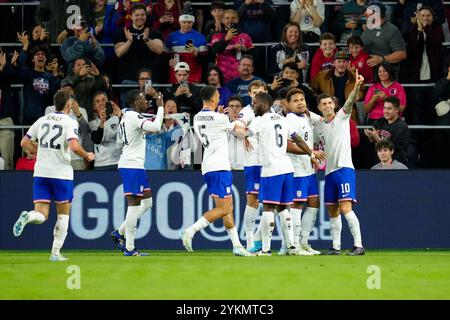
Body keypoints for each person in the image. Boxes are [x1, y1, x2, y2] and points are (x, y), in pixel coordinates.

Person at [12, 90, 94, 261]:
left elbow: (24, 142)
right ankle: (55, 253)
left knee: (41, 215)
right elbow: (73, 145)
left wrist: (38, 151)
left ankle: (28, 216)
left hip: (41, 172)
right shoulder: (69, 122)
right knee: (63, 215)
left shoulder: (42, 120)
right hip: (61, 174)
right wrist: (87, 155)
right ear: (68, 104)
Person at [247, 92, 323, 256]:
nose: (253, 105)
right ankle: (291, 246)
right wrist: (310, 153)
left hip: (271, 169)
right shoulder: (283, 120)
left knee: (268, 208)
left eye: (255, 103)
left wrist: (231, 128)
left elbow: (244, 133)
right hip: (288, 168)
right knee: (284, 208)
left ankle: (266, 249)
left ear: (265, 104)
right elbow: (298, 139)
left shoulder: (260, 120)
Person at [180, 85, 252, 257]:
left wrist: (221, 116)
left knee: (228, 207)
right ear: (213, 98)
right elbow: (240, 132)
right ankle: (190, 231)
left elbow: (213, 123)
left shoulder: (197, 117)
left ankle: (236, 246)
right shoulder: (220, 118)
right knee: (224, 208)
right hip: (219, 167)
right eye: (218, 95)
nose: (220, 97)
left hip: (208, 166)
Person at [311, 69, 365, 255]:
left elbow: (350, 101)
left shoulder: (342, 117)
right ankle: (335, 247)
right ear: (319, 108)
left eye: (329, 103)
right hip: (330, 172)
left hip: (344, 168)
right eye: (323, 104)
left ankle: (359, 245)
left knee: (345, 208)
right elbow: (316, 145)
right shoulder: (319, 127)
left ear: (334, 105)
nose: (327, 106)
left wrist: (357, 85)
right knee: (332, 210)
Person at [110, 89, 164, 256]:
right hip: (132, 165)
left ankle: (119, 232)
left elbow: (120, 142)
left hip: (133, 164)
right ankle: (130, 248)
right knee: (134, 206)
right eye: (142, 99)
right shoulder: (133, 116)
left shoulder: (126, 117)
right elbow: (155, 127)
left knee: (147, 203)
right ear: (134, 103)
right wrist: (160, 107)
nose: (146, 101)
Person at [283, 88, 322, 255]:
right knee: (297, 205)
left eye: (302, 99)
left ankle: (304, 242)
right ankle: (294, 245)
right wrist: (311, 153)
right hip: (296, 169)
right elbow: (288, 145)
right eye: (296, 100)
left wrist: (310, 157)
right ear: (289, 104)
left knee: (314, 203)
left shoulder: (305, 117)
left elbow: (322, 119)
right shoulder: (290, 120)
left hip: (308, 169)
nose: (300, 102)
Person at [406, 6, 444, 124]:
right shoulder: (412, 31)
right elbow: (414, 48)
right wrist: (419, 28)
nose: (425, 18)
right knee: (418, 112)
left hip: (434, 77)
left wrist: (425, 27)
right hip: (416, 78)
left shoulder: (438, 30)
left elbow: (435, 41)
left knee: (433, 112)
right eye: (422, 16)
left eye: (428, 16)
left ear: (433, 18)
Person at [45, 79, 91, 170]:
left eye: (70, 89)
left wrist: (78, 113)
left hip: (76, 157)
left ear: (73, 91)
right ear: (59, 91)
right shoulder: (50, 109)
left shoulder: (82, 110)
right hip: (57, 157)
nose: (67, 91)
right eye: (64, 88)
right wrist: (65, 109)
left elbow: (86, 131)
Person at [114, 4, 164, 83]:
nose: (140, 17)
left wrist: (147, 40)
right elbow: (119, 53)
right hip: (128, 78)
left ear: (146, 16)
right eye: (137, 15)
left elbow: (159, 50)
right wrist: (129, 41)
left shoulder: (154, 32)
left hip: (149, 79)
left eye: (142, 15)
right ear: (131, 17)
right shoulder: (122, 32)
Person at [311, 51, 365, 124]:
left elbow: (362, 91)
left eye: (344, 61)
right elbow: (312, 91)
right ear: (333, 63)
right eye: (339, 61)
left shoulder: (355, 77)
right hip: (327, 112)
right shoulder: (321, 76)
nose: (341, 64)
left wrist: (358, 95)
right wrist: (322, 99)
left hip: (348, 113)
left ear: (348, 63)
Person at [361, 2, 407, 79]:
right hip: (368, 74)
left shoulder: (392, 30)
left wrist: (381, 59)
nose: (365, 14)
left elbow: (402, 54)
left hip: (386, 76)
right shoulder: (368, 27)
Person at [364, 96, 411, 167]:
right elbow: (373, 139)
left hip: (395, 164)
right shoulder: (380, 121)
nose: (385, 111)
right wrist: (371, 137)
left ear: (397, 110)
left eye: (389, 109)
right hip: (379, 162)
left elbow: (391, 150)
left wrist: (377, 138)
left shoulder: (402, 127)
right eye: (384, 108)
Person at [210, 9, 254, 83]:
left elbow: (254, 55)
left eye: (233, 18)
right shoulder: (217, 36)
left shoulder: (245, 36)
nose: (230, 20)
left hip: (241, 77)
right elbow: (215, 50)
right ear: (223, 21)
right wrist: (226, 38)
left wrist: (245, 50)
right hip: (222, 76)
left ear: (237, 20)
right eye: (227, 18)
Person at [165, 12, 208, 84]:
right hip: (175, 77)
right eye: (184, 22)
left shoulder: (200, 37)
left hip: (194, 77)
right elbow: (163, 57)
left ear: (193, 23)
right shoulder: (171, 37)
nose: (186, 25)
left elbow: (205, 60)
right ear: (179, 22)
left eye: (189, 22)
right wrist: (168, 61)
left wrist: (196, 53)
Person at [144, 98, 186, 170]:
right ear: (163, 110)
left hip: (173, 168)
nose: (171, 108)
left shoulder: (180, 128)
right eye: (168, 106)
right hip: (155, 167)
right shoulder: (154, 125)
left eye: (173, 106)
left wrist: (184, 122)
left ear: (177, 111)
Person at [89, 91, 123, 170]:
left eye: (103, 100)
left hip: (118, 162)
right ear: (94, 106)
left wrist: (121, 116)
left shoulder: (117, 119)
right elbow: (96, 140)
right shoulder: (92, 123)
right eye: (97, 101)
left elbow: (126, 136)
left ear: (108, 102)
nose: (101, 103)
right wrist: (102, 123)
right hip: (101, 164)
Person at [226, 96, 245, 170]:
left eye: (237, 106)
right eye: (231, 106)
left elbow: (243, 135)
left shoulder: (248, 122)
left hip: (243, 164)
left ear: (242, 109)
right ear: (228, 108)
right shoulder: (222, 122)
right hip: (226, 165)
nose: (234, 109)